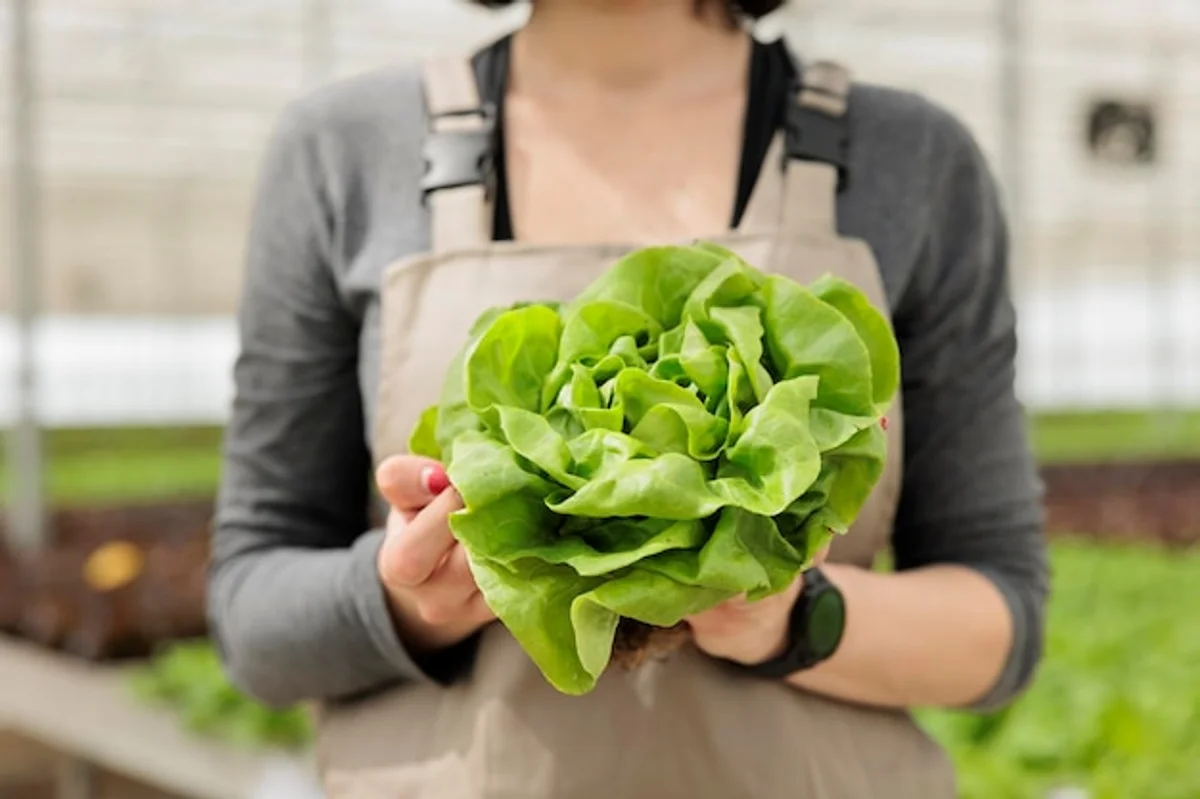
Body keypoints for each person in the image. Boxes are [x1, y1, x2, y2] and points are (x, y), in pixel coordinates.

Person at [208, 1, 1049, 796]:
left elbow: (1000, 621)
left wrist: (791, 616)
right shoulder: (345, 150)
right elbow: (253, 615)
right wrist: (411, 599)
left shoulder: (913, 160)